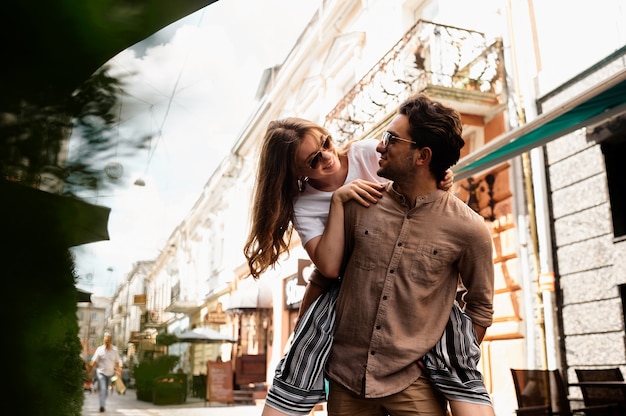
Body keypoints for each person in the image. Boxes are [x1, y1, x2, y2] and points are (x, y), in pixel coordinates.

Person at [243, 117, 462, 415]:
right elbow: (330, 267)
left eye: (327, 143)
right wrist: (338, 203)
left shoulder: (367, 153)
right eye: (314, 160)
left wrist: (440, 181)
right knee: (300, 358)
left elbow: (419, 193)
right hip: (354, 290)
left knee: (456, 368)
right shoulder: (304, 205)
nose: (328, 157)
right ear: (294, 171)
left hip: (412, 277)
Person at [316, 93, 495, 415]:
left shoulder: (470, 229)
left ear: (422, 156)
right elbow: (325, 274)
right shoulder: (357, 204)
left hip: (415, 383)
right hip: (345, 380)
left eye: (390, 139)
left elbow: (480, 308)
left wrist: (444, 360)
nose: (379, 147)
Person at [90, 331, 122, 412]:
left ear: (111, 340)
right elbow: (94, 361)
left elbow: (117, 362)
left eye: (108, 340)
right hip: (101, 372)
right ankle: (102, 406)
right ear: (103, 340)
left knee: (106, 391)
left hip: (110, 374)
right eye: (105, 340)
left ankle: (103, 403)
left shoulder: (115, 350)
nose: (106, 342)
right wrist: (89, 370)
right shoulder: (100, 349)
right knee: (103, 389)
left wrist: (118, 371)